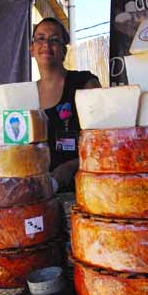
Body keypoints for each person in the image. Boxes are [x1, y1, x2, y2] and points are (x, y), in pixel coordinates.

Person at [32, 17, 101, 192]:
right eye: (40, 38)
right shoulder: (26, 93)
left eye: (54, 40)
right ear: (32, 49)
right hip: (41, 194)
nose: (46, 44)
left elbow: (103, 142)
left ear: (64, 51)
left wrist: (72, 166)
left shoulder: (84, 83)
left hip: (83, 190)